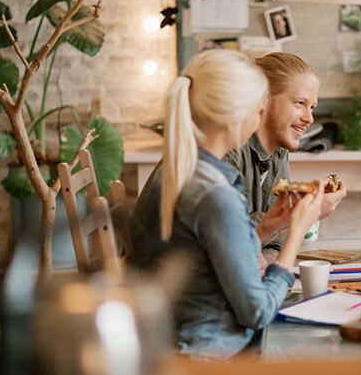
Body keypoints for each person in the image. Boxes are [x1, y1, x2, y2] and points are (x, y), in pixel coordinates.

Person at [129, 50, 324, 359]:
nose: (259, 121)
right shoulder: (214, 194)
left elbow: (207, 252)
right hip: (209, 357)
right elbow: (257, 312)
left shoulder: (192, 169)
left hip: (167, 336)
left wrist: (269, 226)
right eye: (259, 111)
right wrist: (298, 229)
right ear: (239, 114)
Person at [224, 52, 347, 265]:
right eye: (300, 103)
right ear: (264, 98)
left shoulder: (279, 151)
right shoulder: (225, 150)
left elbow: (276, 239)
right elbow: (230, 239)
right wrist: (306, 213)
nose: (309, 118)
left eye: (312, 107)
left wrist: (265, 259)